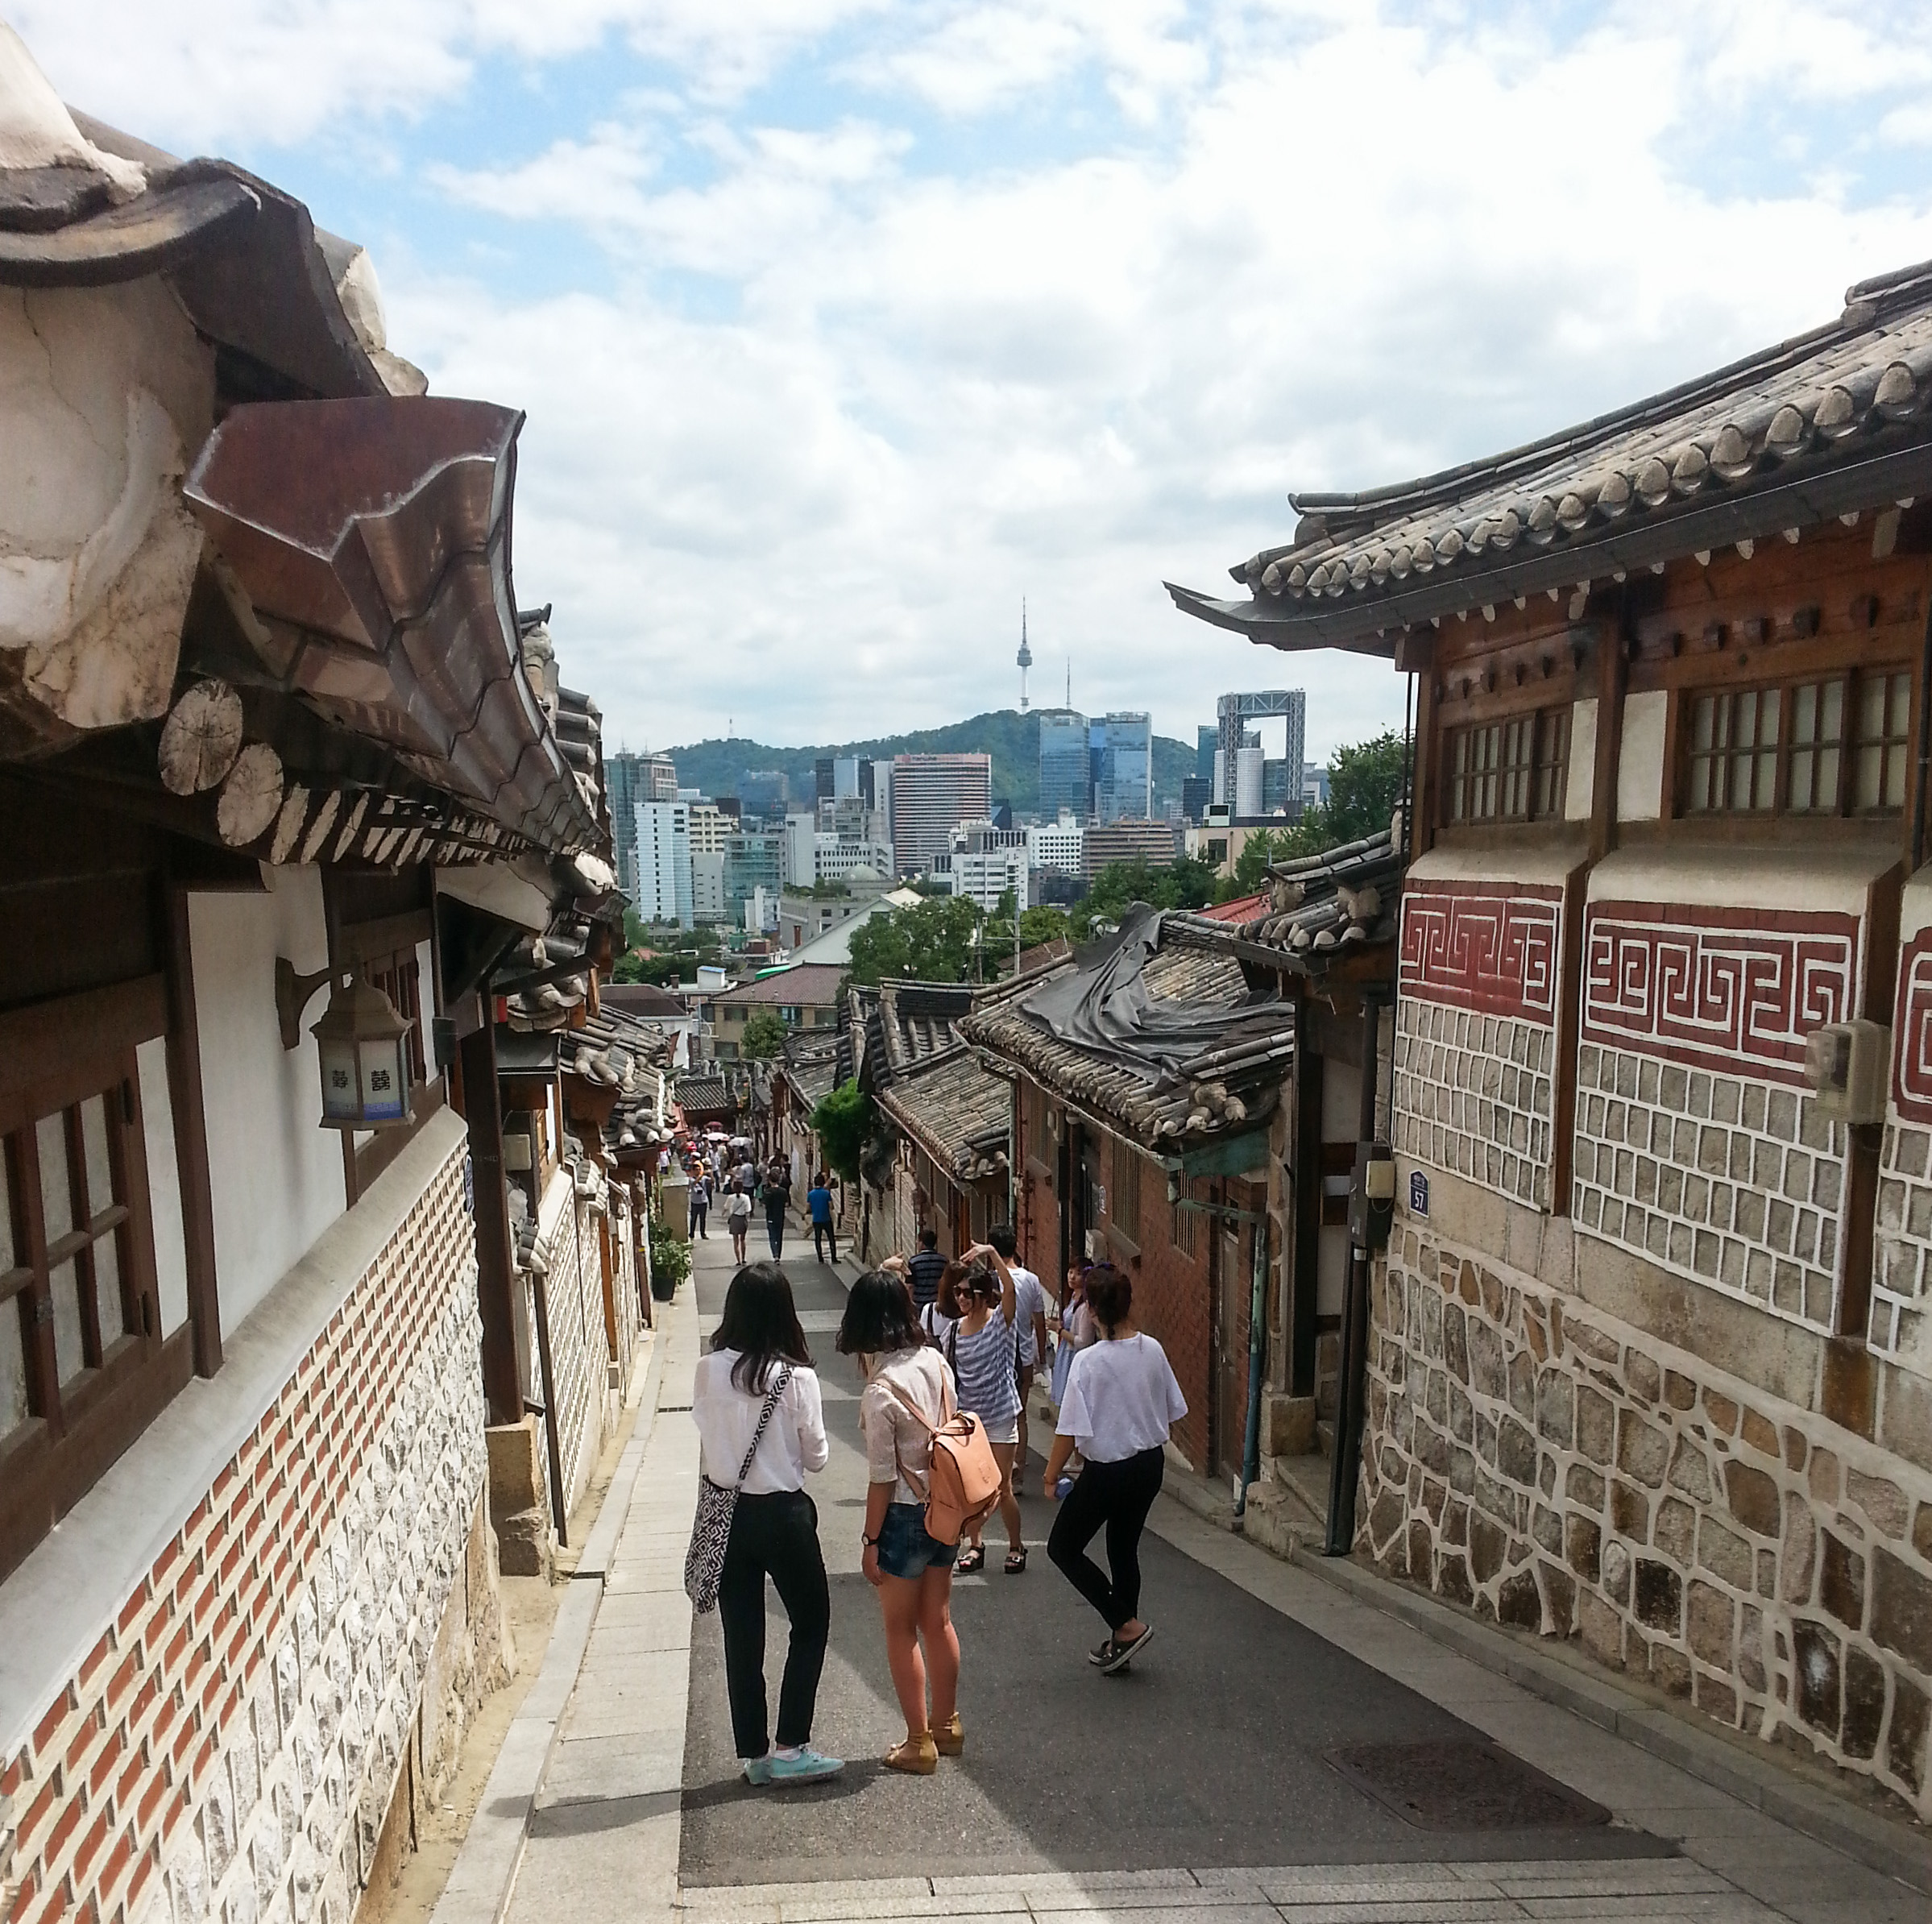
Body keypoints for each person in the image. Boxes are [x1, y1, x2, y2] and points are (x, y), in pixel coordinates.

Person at [691, 1263, 842, 1785]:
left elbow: (708, 1435)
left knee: (743, 1635)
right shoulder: (797, 1378)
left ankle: (754, 1756)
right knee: (811, 1622)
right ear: (784, 1312)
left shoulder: (707, 1370)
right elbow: (818, 1458)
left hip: (728, 1516)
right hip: (784, 1515)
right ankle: (791, 1745)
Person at [839, 1269, 962, 1775]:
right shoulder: (935, 1361)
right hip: (946, 1510)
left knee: (899, 1628)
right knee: (938, 1620)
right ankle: (947, 1725)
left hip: (904, 1518)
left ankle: (917, 1743)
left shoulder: (880, 1392)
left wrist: (870, 1540)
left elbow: (882, 1480)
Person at [1043, 1264, 1186, 1674]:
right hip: (1149, 1464)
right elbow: (1173, 1408)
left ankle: (1125, 1625)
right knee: (1123, 1548)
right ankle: (1123, 1638)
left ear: (1091, 1309)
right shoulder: (1153, 1349)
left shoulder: (1088, 1363)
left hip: (1108, 1469)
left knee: (1063, 1547)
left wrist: (1051, 1476)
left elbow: (1068, 1428)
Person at [944, 1246, 1026, 1576]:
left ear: (981, 1295)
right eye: (957, 1292)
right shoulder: (952, 1330)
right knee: (971, 1489)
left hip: (1001, 1416)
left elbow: (1010, 1290)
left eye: (966, 1293)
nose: (961, 1299)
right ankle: (975, 1545)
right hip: (969, 1420)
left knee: (1002, 1487)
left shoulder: (1000, 1323)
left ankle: (1016, 1547)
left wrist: (991, 1252)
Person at [989, 1224, 1049, 1478]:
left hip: (996, 1356)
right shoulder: (1032, 1280)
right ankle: (1019, 1471)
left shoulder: (991, 1280)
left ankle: (997, 1470)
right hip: (1023, 1356)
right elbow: (1040, 1321)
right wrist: (1042, 1356)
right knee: (1020, 1415)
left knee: (995, 1416)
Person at [905, 1226, 947, 1314]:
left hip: (919, 1304)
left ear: (922, 1243)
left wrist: (909, 1304)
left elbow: (910, 1286)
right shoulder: (943, 1261)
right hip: (937, 1304)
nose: (917, 1243)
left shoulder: (914, 1262)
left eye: (918, 1241)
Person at [761, 1159, 792, 1259]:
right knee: (779, 1236)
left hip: (770, 1216)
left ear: (770, 1181)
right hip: (780, 1216)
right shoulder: (783, 1191)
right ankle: (779, 1253)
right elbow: (787, 1203)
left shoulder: (767, 1192)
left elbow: (764, 1204)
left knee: (772, 1236)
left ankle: (775, 1255)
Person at [807, 1172, 837, 1265]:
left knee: (818, 1239)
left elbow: (808, 1208)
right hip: (826, 1219)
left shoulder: (810, 1194)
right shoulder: (826, 1193)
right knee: (831, 1239)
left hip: (816, 1219)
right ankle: (833, 1258)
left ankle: (820, 1258)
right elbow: (831, 1206)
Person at [725, 1181, 753, 1265]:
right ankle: (744, 1258)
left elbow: (726, 1207)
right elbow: (748, 1210)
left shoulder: (730, 1197)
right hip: (742, 1219)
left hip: (734, 1218)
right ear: (742, 1189)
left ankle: (738, 1260)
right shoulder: (746, 1197)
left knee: (735, 1240)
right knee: (743, 1239)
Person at [688, 1158, 711, 1240]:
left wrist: (710, 1174)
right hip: (695, 1201)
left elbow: (712, 1181)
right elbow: (694, 1183)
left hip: (703, 1201)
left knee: (703, 1219)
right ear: (693, 1171)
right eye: (696, 1170)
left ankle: (703, 1233)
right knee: (693, 1219)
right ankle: (691, 1234)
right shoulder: (691, 1179)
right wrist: (701, 1175)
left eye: (699, 1169)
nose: (698, 1171)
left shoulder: (704, 1178)